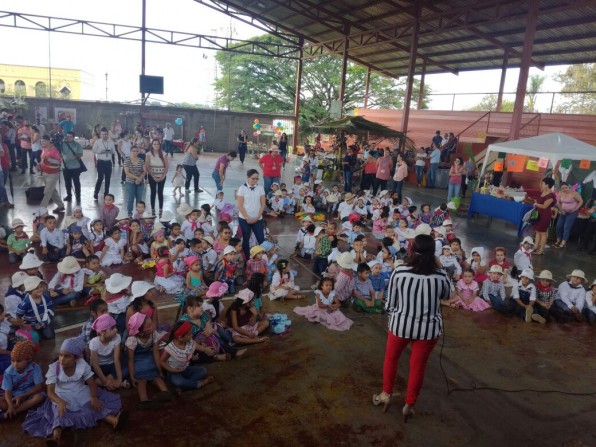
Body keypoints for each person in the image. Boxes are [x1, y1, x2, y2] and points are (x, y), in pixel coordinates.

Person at [372, 234, 451, 421]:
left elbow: (390, 302)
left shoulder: (400, 272)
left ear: (411, 250)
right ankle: (409, 404)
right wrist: (438, 264)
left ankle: (386, 395)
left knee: (391, 359)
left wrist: (395, 318)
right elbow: (447, 296)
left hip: (400, 325)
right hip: (428, 330)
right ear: (433, 253)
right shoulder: (440, 275)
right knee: (418, 367)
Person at [22, 337, 125, 444]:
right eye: (60, 355)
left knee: (94, 406)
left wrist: (94, 397)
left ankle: (113, 420)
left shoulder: (82, 365)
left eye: (67, 356)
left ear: (76, 358)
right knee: (60, 413)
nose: (62, 359)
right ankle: (55, 437)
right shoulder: (54, 368)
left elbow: (92, 383)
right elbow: (50, 392)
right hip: (61, 395)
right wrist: (59, 401)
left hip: (80, 392)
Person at [236, 169, 266, 259]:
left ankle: (263, 258)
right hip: (244, 218)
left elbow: (263, 204)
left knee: (261, 239)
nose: (255, 181)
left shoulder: (260, 188)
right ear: (248, 178)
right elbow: (240, 205)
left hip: (257, 218)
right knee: (246, 239)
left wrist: (257, 217)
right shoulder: (242, 188)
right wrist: (247, 217)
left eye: (257, 179)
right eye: (253, 179)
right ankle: (248, 258)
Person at [38, 135, 66, 213]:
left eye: (43, 141)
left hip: (52, 174)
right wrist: (39, 164)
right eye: (41, 142)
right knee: (52, 190)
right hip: (44, 173)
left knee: (47, 192)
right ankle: (61, 206)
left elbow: (59, 162)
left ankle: (41, 210)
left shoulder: (54, 150)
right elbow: (43, 159)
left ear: (48, 141)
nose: (42, 143)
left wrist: (49, 159)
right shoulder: (44, 149)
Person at [554, 181, 583, 249]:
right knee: (559, 226)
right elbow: (558, 202)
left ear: (568, 187)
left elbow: (581, 201)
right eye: (563, 188)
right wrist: (561, 209)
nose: (564, 189)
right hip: (563, 212)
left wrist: (576, 209)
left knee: (566, 227)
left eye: (566, 187)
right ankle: (558, 240)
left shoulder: (574, 193)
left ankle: (563, 242)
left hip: (572, 212)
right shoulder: (560, 193)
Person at [531, 177, 555, 255]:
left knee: (543, 233)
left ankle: (541, 250)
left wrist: (536, 204)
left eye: (543, 183)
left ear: (547, 185)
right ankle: (535, 246)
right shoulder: (543, 192)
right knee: (537, 231)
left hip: (545, 215)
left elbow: (545, 206)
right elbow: (539, 201)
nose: (541, 184)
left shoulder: (551, 195)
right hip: (538, 214)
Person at [145, 139, 169, 216]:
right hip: (152, 177)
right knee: (153, 192)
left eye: (157, 144)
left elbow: (167, 166)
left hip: (162, 176)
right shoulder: (148, 154)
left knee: (160, 192)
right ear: (152, 145)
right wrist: (153, 176)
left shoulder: (164, 154)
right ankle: (153, 209)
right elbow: (147, 166)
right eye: (154, 144)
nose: (156, 145)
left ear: (159, 145)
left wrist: (162, 176)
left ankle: (161, 209)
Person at [92, 127, 115, 201]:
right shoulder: (98, 142)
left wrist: (110, 151)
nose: (104, 135)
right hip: (101, 162)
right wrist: (100, 151)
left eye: (106, 134)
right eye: (103, 134)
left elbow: (113, 152)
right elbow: (93, 150)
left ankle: (106, 194)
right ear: (101, 135)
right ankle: (96, 192)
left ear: (108, 135)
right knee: (100, 178)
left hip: (108, 162)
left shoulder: (111, 142)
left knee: (108, 179)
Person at [61, 131, 84, 204]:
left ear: (73, 137)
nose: (68, 138)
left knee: (76, 182)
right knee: (67, 183)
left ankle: (78, 196)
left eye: (70, 137)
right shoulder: (63, 144)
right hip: (66, 166)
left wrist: (75, 157)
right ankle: (69, 195)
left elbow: (80, 154)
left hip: (75, 167)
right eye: (67, 136)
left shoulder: (77, 145)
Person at [123, 145, 146, 217]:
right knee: (130, 197)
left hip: (140, 182)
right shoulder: (127, 161)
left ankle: (139, 213)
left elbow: (145, 171)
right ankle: (129, 212)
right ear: (130, 151)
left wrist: (140, 179)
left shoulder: (141, 161)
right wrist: (137, 178)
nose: (135, 152)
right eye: (133, 151)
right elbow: (127, 172)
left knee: (139, 198)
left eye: (136, 151)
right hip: (130, 182)